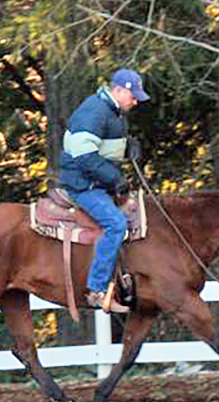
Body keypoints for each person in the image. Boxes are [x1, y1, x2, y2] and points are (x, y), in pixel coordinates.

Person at [57, 68, 149, 313]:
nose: (137, 100)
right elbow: (84, 156)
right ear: (118, 90)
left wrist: (127, 147)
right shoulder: (94, 111)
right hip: (83, 185)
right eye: (133, 95)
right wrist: (115, 178)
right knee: (116, 224)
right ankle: (96, 290)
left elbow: (103, 145)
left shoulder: (113, 111)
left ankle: (123, 282)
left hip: (98, 182)